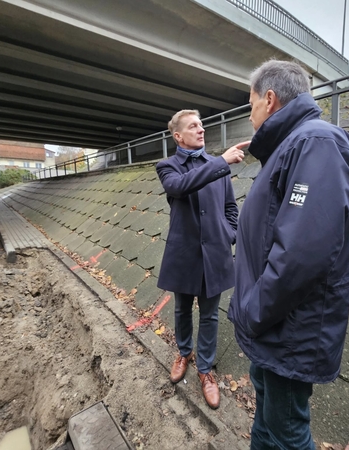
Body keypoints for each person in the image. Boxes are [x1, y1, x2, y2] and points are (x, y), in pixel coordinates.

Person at [228, 60, 349, 449]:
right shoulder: (292, 146)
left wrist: (253, 311)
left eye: (251, 104)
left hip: (286, 327)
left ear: (270, 99)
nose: (250, 113)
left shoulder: (316, 143)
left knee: (287, 431)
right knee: (269, 420)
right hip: (273, 324)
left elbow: (302, 254)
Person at [156, 109, 249, 409]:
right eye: (193, 126)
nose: (201, 129)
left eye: (202, 125)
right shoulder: (167, 166)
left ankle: (205, 369)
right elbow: (180, 187)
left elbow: (230, 208)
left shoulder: (216, 166)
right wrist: (221, 161)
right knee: (182, 311)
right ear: (178, 135)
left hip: (215, 253)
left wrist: (228, 234)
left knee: (209, 315)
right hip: (184, 254)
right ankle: (184, 353)